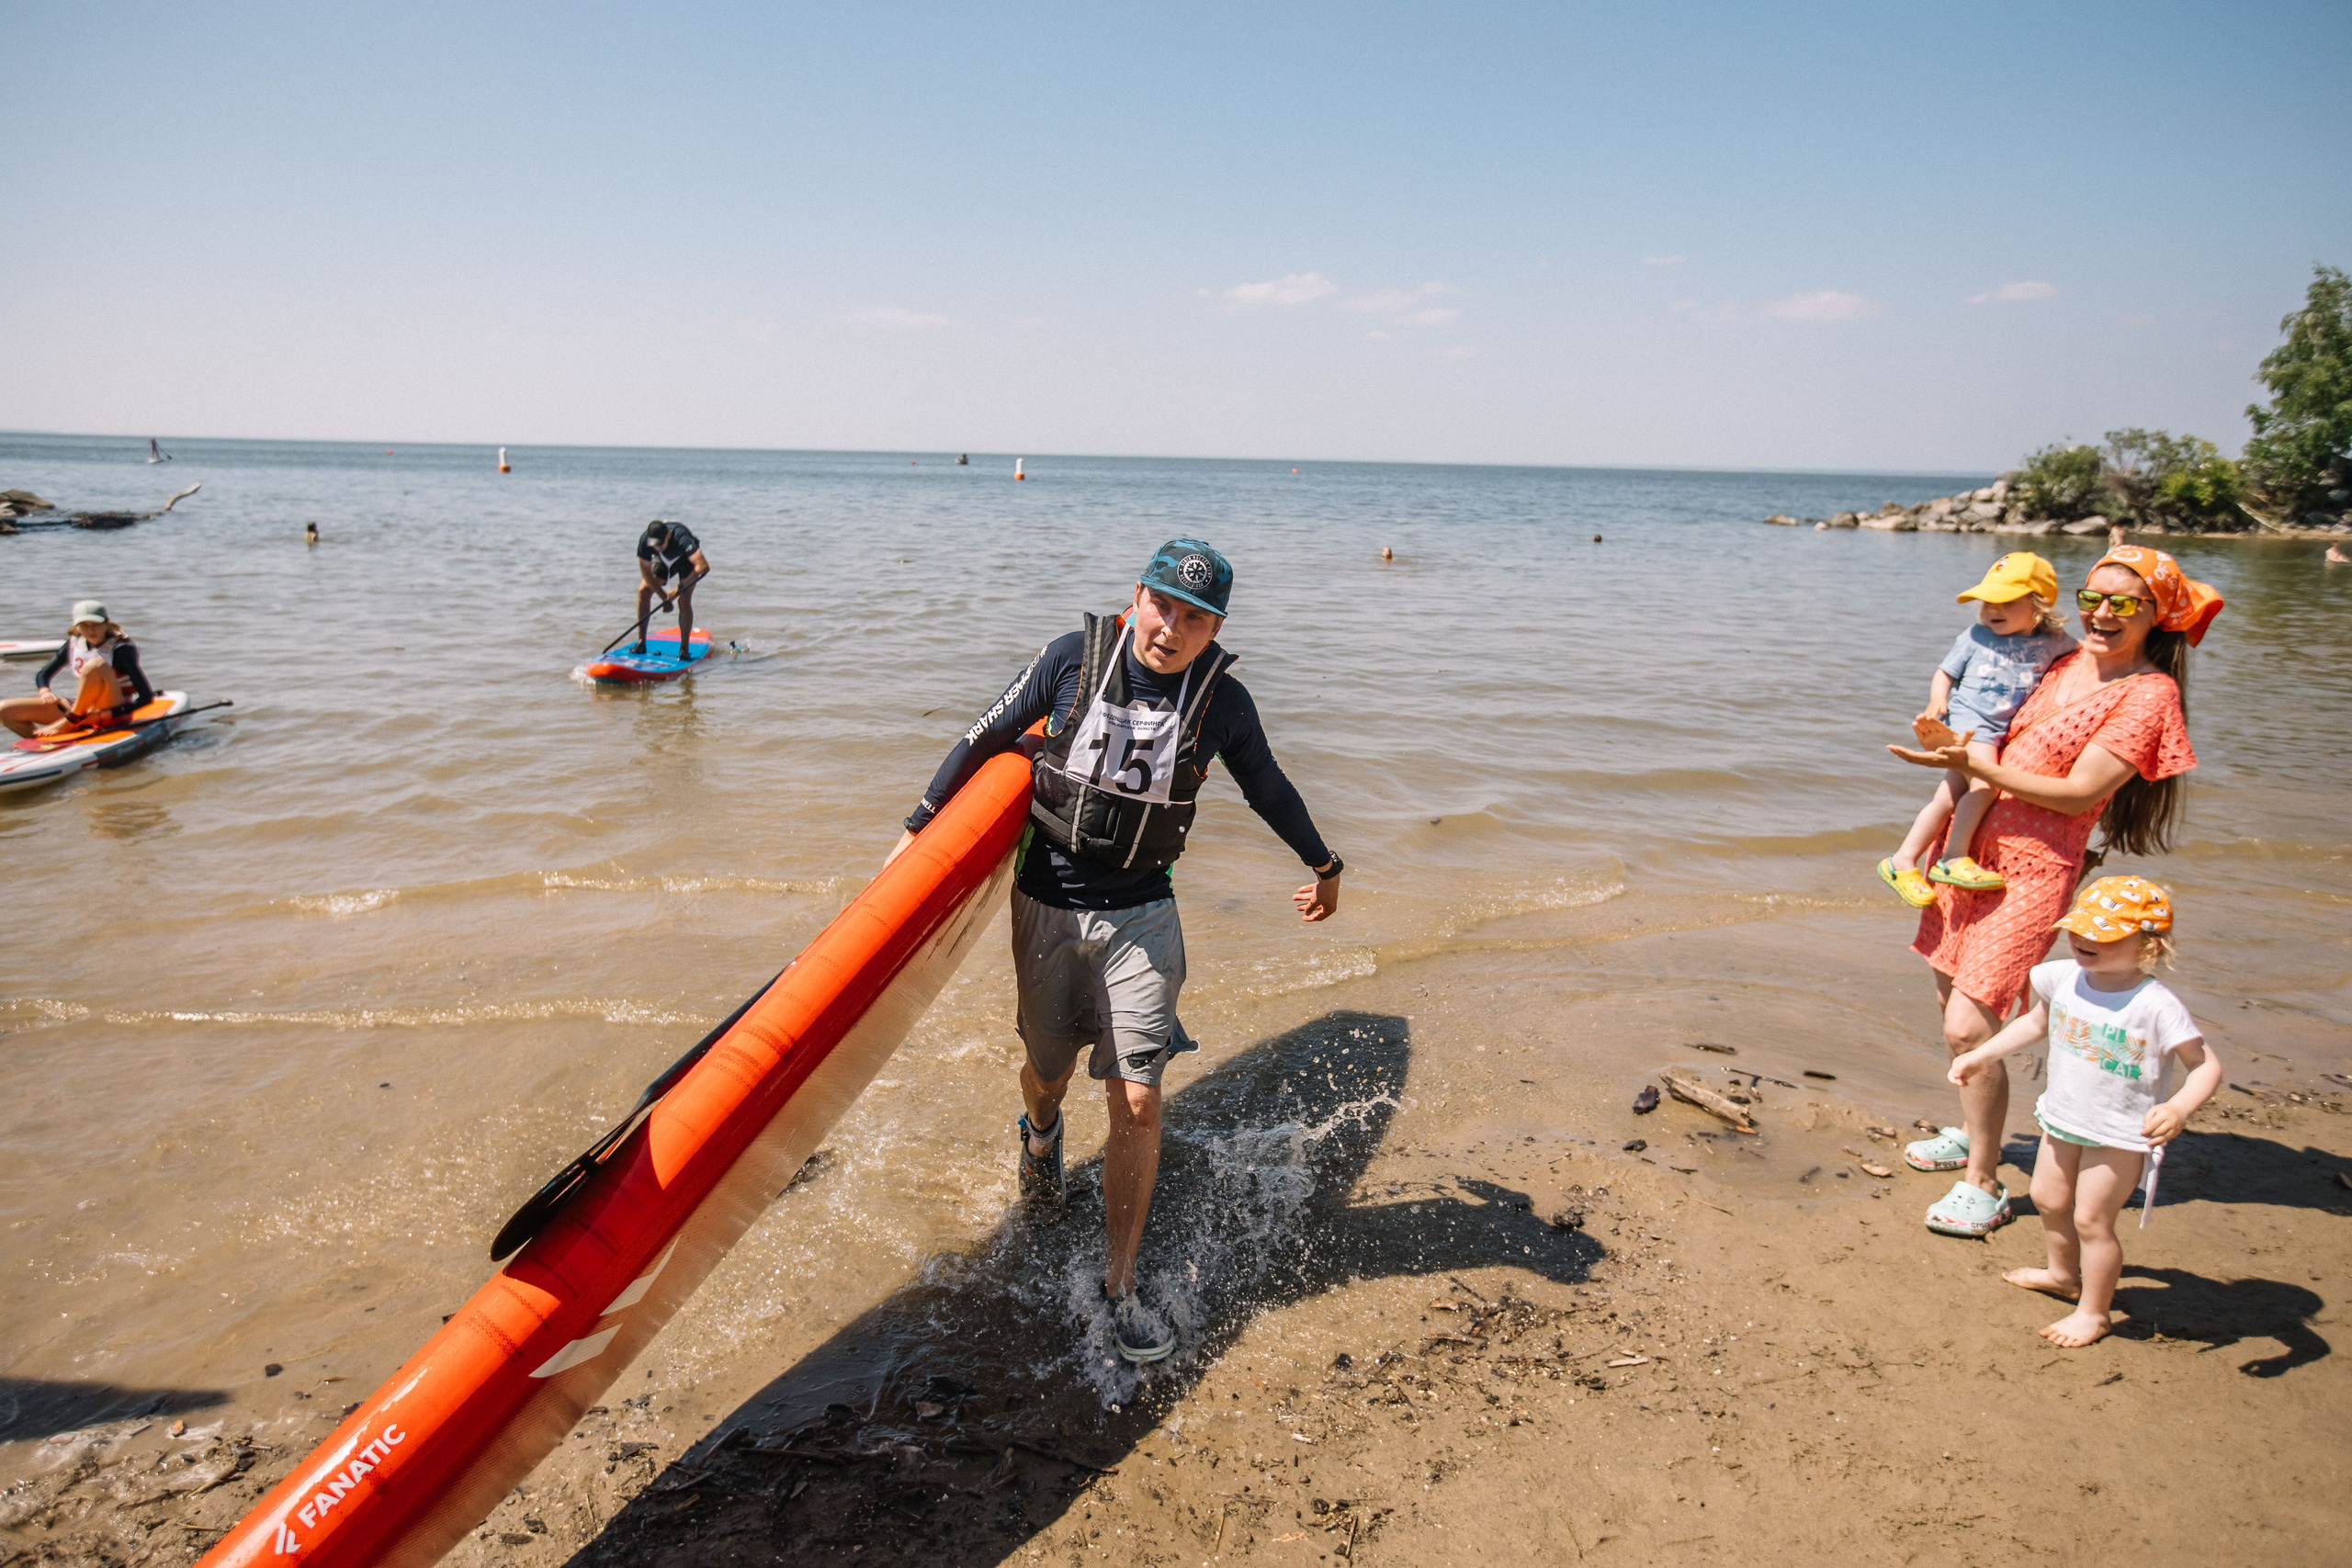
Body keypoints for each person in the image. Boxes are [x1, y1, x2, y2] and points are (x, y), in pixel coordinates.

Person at [890, 539, 1343, 1363]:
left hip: (1143, 912)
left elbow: (1269, 785)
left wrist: (1324, 862)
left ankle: (1120, 1286)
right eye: (1162, 605)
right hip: (1048, 903)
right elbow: (983, 737)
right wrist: (915, 835)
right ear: (1136, 596)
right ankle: (1039, 1133)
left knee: (1137, 1095)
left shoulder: (1223, 704)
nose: (1172, 627)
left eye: (1195, 618)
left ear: (1215, 630)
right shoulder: (1072, 660)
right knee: (1048, 1071)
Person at [1888, 546, 2221, 1239]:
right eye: (2093, 595)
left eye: (2123, 602)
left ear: (2157, 615)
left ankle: (1983, 1180)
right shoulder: (2062, 660)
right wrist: (1948, 738)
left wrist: (1972, 762)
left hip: (2036, 869)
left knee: (1970, 1024)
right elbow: (1987, 699)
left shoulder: (2149, 694)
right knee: (1950, 995)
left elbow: (2080, 793)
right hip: (1967, 851)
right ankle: (1975, 1130)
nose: (2101, 611)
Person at [1948, 876, 2219, 1347]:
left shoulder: (2155, 1005)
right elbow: (2035, 1023)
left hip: (2118, 1132)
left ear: (2148, 946)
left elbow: (2206, 1066)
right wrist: (1981, 1055)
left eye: (2103, 936)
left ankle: (2094, 1312)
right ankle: (2061, 1274)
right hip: (2063, 1117)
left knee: (2092, 1220)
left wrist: (2178, 1107)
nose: (2083, 941)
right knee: (2049, 1200)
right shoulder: (2062, 977)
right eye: (2079, 929)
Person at [1878, 554, 2074, 905]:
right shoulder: (1975, 636)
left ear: (2039, 604)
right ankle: (1952, 857)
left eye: (2007, 602)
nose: (1992, 610)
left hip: (1997, 732)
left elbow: (2088, 655)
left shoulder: (2054, 641)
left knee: (1947, 797)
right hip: (1970, 726)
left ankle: (1901, 860)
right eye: (1987, 602)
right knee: (1985, 786)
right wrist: (1937, 700)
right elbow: (1945, 672)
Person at [3, 601, 155, 738]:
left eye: (96, 624)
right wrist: (45, 691)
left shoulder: (121, 649)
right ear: (77, 627)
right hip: (82, 709)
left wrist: (101, 715)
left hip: (111, 712)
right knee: (4, 710)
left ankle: (69, 722)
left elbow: (146, 697)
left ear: (106, 623)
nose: (91, 631)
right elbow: (43, 674)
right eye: (84, 626)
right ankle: (46, 743)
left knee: (96, 665)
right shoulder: (75, 643)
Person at [633, 520, 708, 656]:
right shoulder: (645, 541)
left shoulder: (682, 538)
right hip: (664, 561)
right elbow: (646, 572)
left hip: (687, 562)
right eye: (654, 545)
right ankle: (641, 643)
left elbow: (703, 566)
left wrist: (677, 590)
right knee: (643, 590)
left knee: (683, 599)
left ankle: (684, 650)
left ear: (668, 535)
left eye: (660, 544)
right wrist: (664, 597)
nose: (657, 547)